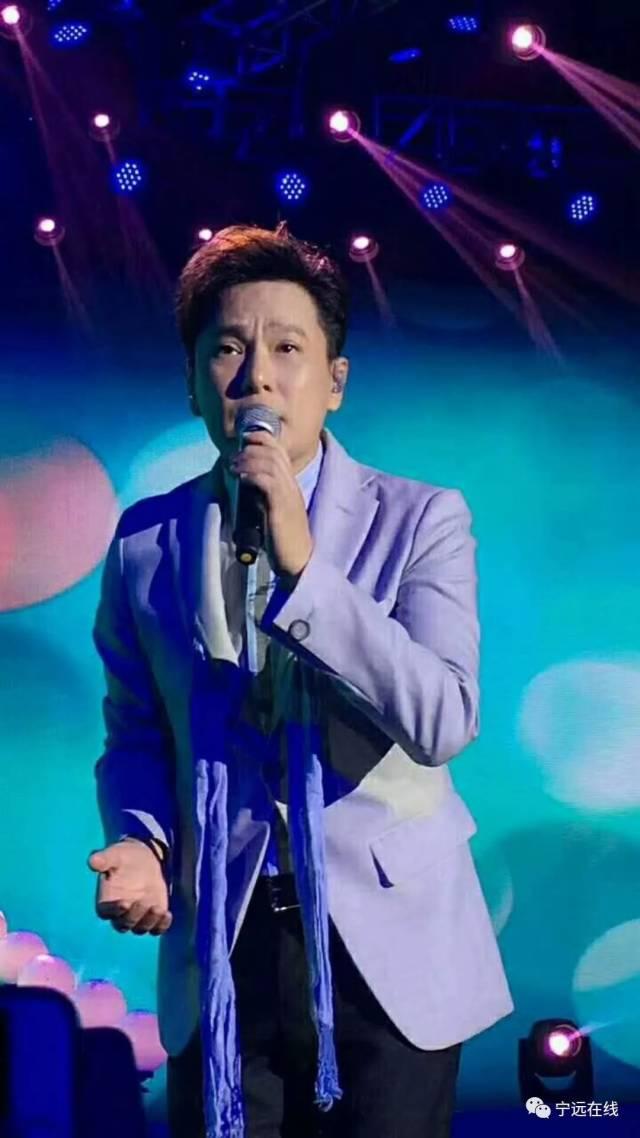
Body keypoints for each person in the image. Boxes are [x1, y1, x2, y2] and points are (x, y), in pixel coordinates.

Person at [88, 222, 514, 1138]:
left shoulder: (422, 520)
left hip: (388, 955)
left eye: (287, 348)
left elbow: (443, 719)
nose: (257, 378)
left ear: (335, 380)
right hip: (224, 943)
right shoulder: (145, 542)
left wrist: (304, 569)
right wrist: (140, 840)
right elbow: (136, 732)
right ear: (192, 378)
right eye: (227, 350)